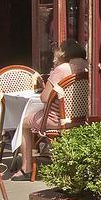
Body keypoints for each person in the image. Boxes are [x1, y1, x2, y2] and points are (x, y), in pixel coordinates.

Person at [10, 40, 88, 179]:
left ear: (64, 53)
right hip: (81, 118)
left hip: (56, 119)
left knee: (23, 122)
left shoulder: (62, 69)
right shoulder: (86, 67)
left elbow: (44, 98)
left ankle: (26, 168)